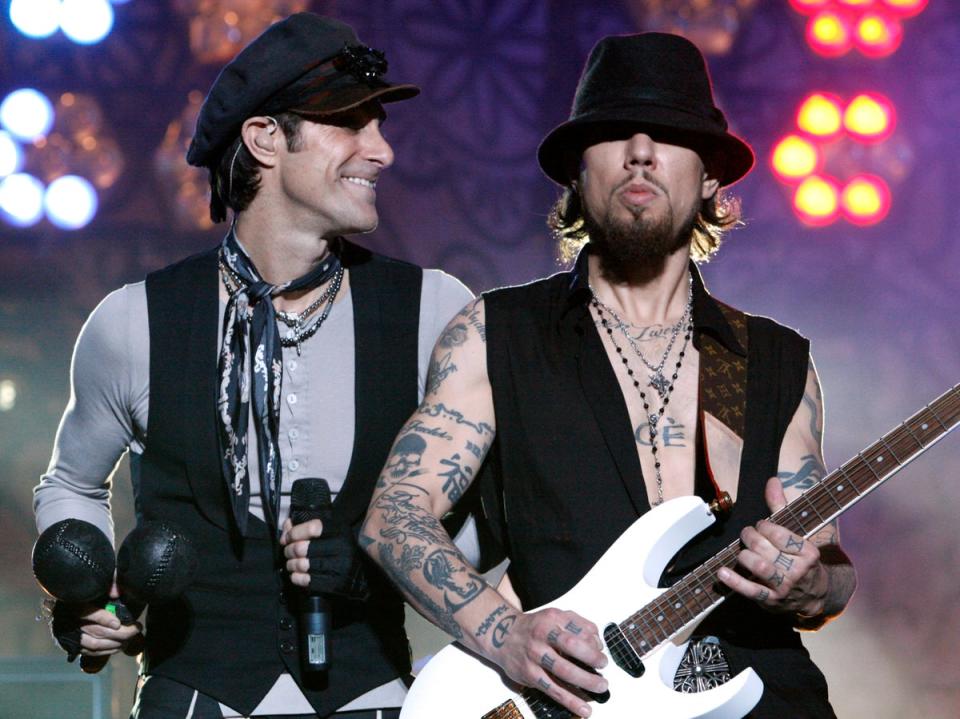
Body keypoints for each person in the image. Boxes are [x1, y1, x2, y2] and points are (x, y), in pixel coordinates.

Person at [361, 32, 857, 718]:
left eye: (671, 135)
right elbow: (394, 517)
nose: (642, 152)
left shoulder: (773, 360)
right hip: (587, 699)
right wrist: (504, 633)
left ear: (712, 175)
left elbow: (826, 568)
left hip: (763, 694)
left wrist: (809, 587)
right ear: (575, 170)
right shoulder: (496, 334)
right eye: (616, 132)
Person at [33, 13, 475, 719]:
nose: (382, 151)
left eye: (380, 125)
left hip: (373, 693)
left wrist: (380, 558)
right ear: (265, 139)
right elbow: (71, 483)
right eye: (352, 122)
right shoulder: (134, 320)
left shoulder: (434, 309)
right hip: (195, 697)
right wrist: (96, 598)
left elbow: (486, 517)